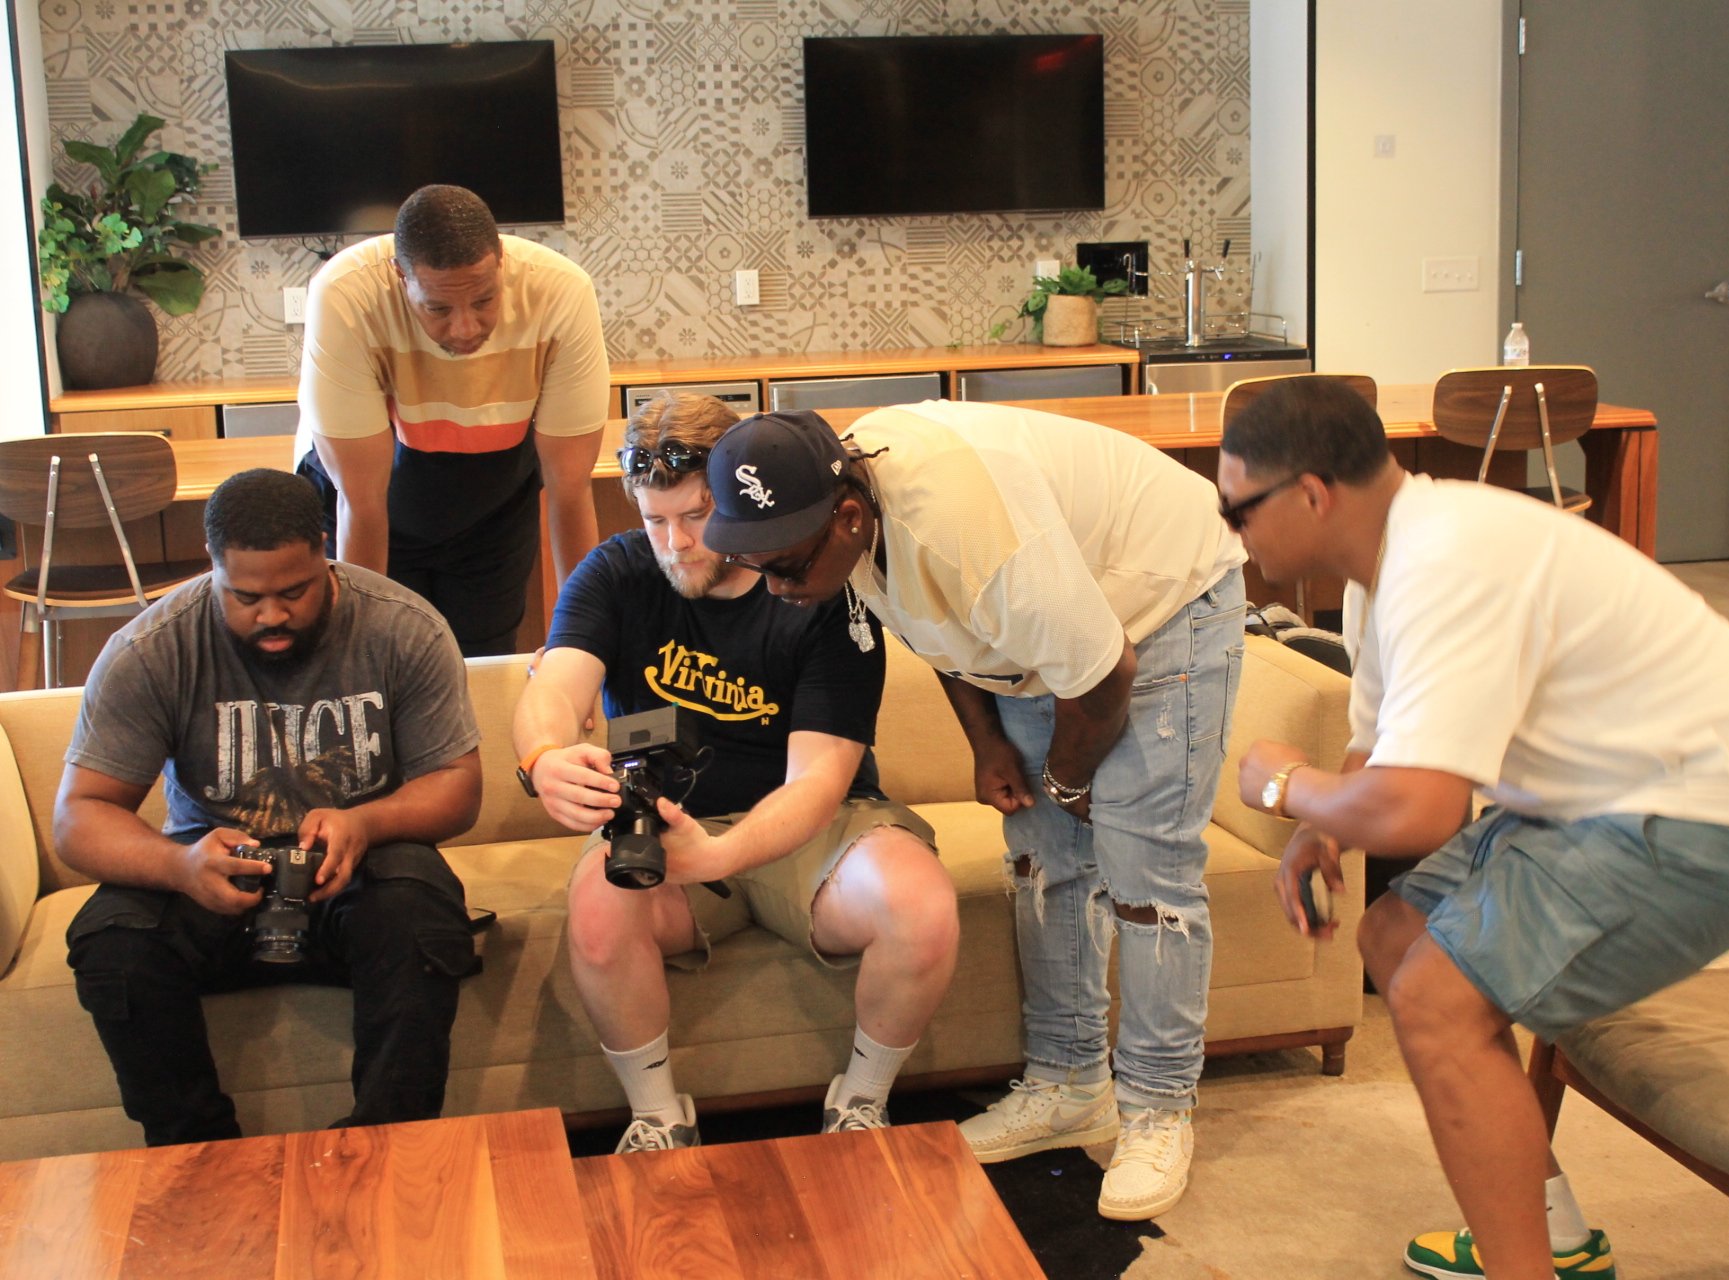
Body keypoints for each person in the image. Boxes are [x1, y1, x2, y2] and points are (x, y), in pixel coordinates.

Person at [1217, 378, 1729, 1280]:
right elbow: (1385, 752)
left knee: (1437, 998)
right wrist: (1327, 826)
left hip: (1720, 814)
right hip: (1599, 796)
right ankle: (1548, 1233)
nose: (1232, 529)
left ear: (1312, 495)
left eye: (1237, 507)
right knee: (1394, 936)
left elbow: (1419, 812)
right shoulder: (1386, 561)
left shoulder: (1445, 563)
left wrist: (1284, 788)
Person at [699, 400, 1246, 1220]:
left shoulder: (974, 535)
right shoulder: (849, 529)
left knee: (1145, 873)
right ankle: (1067, 1084)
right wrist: (989, 745)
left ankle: (1158, 1108)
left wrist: (1066, 781)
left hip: (1158, 602)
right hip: (1054, 622)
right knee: (1040, 861)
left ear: (847, 517)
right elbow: (942, 625)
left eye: (782, 567)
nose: (772, 589)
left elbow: (1102, 673)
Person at [511, 392, 958, 1151]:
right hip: (670, 827)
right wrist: (544, 756)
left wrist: (718, 854)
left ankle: (859, 1101)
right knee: (595, 907)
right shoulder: (616, 572)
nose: (675, 543)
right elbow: (554, 686)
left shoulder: (815, 586)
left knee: (920, 905)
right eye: (655, 520)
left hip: (816, 829)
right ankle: (658, 1116)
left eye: (694, 517)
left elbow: (819, 782)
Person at [58, 469, 484, 1146]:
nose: (272, 615)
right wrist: (181, 866)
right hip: (217, 877)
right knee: (112, 941)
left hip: (356, 875)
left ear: (324, 551)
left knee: (420, 907)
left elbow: (459, 786)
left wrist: (366, 821)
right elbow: (78, 816)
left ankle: (385, 1148)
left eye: (295, 591)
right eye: (246, 597)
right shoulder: (153, 648)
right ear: (213, 568)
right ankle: (198, 1154)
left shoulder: (402, 627)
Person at [296, 183, 612, 657]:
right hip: (375, 494)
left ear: (500, 259)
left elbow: (569, 489)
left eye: (484, 301)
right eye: (437, 308)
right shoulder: (345, 293)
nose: (465, 328)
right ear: (400, 275)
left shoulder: (560, 292)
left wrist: (583, 647)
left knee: (480, 665)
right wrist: (360, 659)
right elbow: (360, 501)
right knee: (386, 656)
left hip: (493, 496)